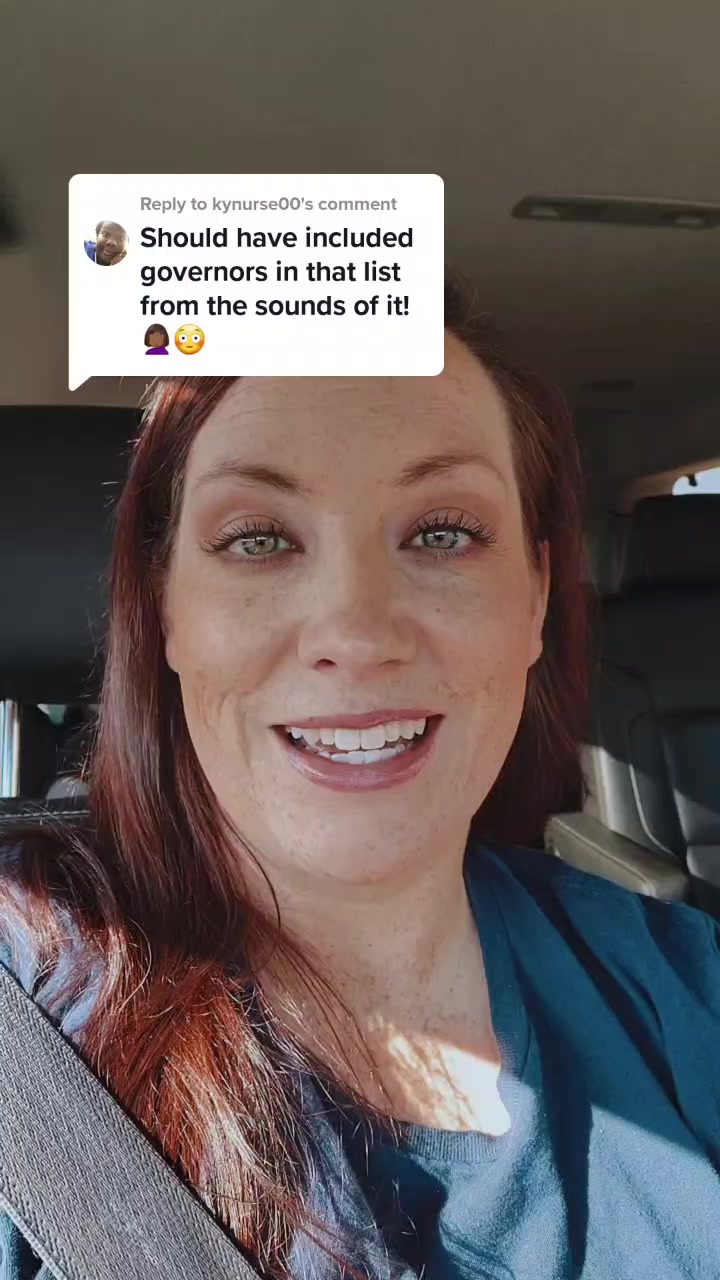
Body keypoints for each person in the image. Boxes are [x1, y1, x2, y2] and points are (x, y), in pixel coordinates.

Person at [1, 281, 719, 1280]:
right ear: (164, 609)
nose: (355, 631)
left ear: (535, 597)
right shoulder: (27, 1022)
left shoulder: (685, 983)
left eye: (442, 532)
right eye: (258, 538)